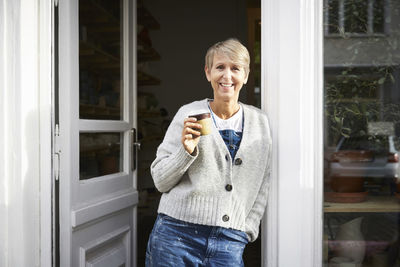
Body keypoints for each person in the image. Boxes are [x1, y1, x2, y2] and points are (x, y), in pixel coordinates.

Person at [145, 38, 272, 267]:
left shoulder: (259, 123)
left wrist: (247, 229)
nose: (227, 76)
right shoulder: (189, 113)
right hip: (176, 235)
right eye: (220, 67)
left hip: (230, 241)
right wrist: (186, 151)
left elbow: (263, 182)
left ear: (245, 75)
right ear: (208, 72)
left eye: (235, 68)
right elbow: (160, 181)